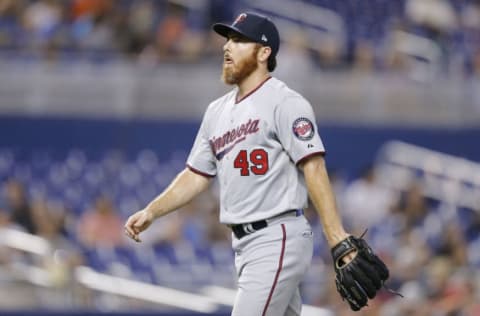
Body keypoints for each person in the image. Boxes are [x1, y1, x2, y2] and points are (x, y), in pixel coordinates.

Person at [125, 12, 362, 316]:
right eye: (227, 39)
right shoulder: (217, 111)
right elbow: (196, 175)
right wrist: (152, 211)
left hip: (277, 235)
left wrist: (336, 237)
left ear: (264, 52)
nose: (227, 46)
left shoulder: (286, 102)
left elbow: (313, 166)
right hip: (245, 244)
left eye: (239, 40)